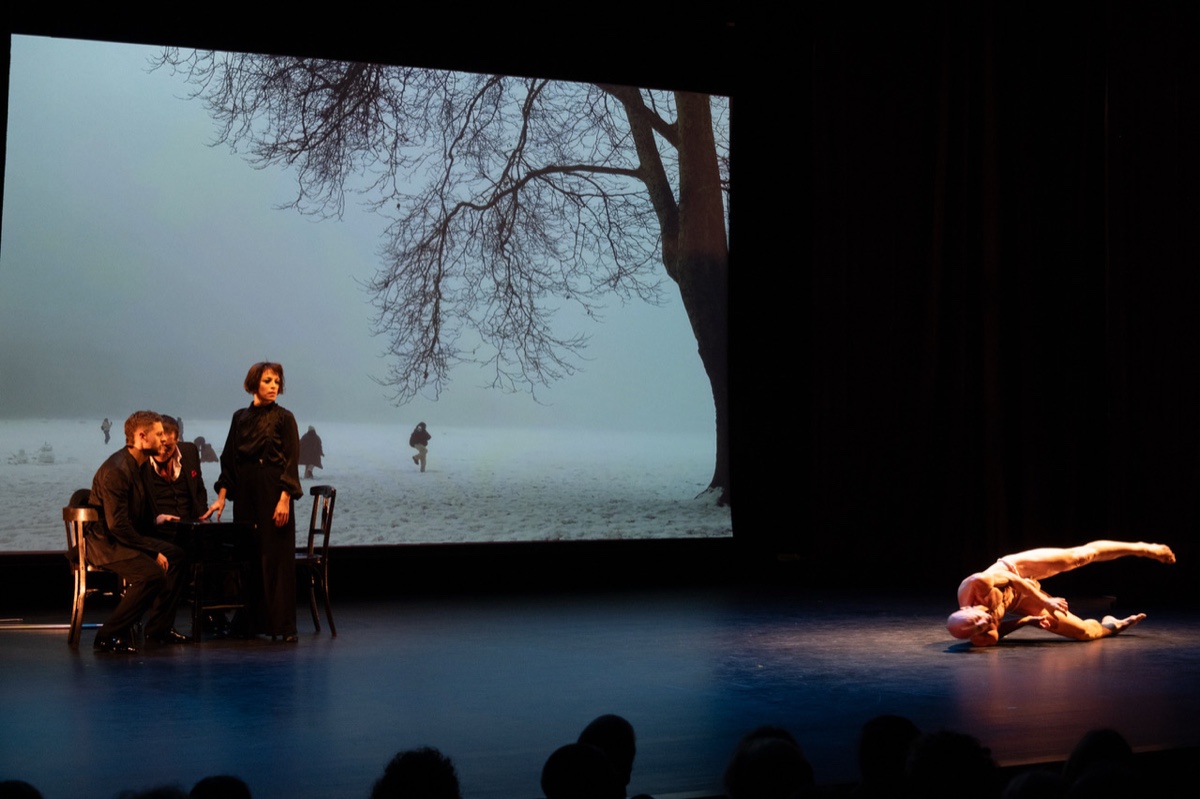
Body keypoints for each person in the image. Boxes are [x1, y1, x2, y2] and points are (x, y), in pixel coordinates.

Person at [212, 362, 302, 642]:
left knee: (275, 558)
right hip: (246, 489)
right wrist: (222, 496)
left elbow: (291, 460)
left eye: (277, 381)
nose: (274, 386)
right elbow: (229, 458)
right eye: (267, 381)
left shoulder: (285, 418)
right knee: (249, 557)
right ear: (254, 384)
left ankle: (283, 626)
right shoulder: (240, 417)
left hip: (273, 488)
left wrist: (284, 498)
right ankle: (251, 623)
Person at [86, 410, 190, 653]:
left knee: (177, 556)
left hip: (123, 537)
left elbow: (140, 515)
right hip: (106, 543)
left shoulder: (141, 467)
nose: (164, 439)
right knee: (150, 574)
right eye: (159, 434)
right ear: (142, 437)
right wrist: (152, 552)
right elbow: (117, 526)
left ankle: (158, 629)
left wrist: (159, 526)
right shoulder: (117, 471)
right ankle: (107, 635)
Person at [947, 541, 1176, 646]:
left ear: (965, 608)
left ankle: (1144, 548)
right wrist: (1028, 620)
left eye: (977, 620)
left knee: (1079, 557)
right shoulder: (982, 636)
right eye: (979, 628)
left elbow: (1016, 581)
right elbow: (998, 630)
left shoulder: (976, 584)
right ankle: (1113, 625)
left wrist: (1046, 601)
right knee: (1085, 633)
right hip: (1021, 600)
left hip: (1017, 569)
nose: (984, 622)